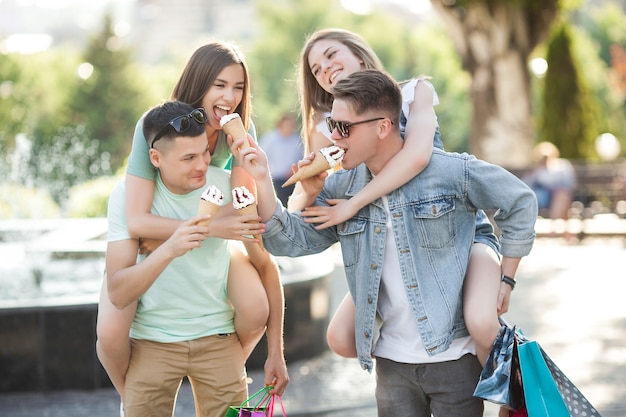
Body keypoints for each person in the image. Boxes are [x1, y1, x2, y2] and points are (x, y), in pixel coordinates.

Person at [232, 69, 538, 417]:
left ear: (382, 126)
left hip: (455, 360)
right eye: (332, 124)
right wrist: (263, 179)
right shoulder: (340, 187)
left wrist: (507, 278)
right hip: (391, 365)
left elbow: (520, 202)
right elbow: (291, 241)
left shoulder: (451, 173)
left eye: (344, 128)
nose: (333, 136)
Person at [291, 27, 504, 366]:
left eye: (331, 55)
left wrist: (354, 204)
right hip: (385, 243)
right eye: (316, 69)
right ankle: (413, 354)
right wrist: (305, 190)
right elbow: (303, 208)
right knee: (340, 337)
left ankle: (512, 387)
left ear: (358, 54)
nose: (325, 68)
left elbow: (417, 155)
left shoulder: (413, 92)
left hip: (453, 234)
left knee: (481, 323)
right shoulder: (328, 132)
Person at [95, 41, 288, 413]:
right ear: (199, 83)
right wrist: (208, 228)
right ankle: (131, 398)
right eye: (220, 85)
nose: (230, 97)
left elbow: (252, 218)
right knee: (110, 333)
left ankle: (226, 361)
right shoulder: (157, 125)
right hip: (168, 230)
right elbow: (136, 218)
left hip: (212, 235)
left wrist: (258, 175)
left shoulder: (239, 132)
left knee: (253, 305)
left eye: (239, 87)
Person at [104, 101, 253, 416]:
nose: (202, 165)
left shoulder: (226, 186)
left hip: (218, 337)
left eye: (204, 152)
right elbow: (118, 293)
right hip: (151, 342)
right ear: (155, 158)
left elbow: (262, 246)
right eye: (188, 158)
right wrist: (170, 247)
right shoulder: (126, 198)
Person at [522, 141, 576, 219]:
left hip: (560, 194)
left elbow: (570, 182)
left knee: (561, 195)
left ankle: (556, 224)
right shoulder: (536, 170)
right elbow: (525, 184)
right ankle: (556, 224)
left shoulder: (562, 165)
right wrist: (535, 173)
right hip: (542, 196)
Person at [259, 112, 303, 206]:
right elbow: (262, 157)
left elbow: (301, 158)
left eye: (291, 125)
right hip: (275, 179)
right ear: (280, 125)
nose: (288, 127)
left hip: (292, 178)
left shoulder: (296, 140)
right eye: (286, 125)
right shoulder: (270, 139)